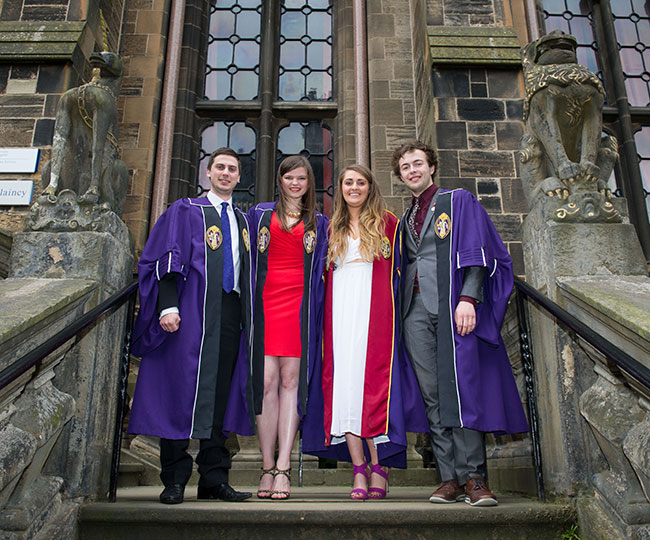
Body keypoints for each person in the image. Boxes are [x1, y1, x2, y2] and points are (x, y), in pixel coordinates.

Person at [393, 140, 528, 507]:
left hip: (451, 306)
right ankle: (448, 477)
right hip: (414, 311)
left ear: (431, 166)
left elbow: (475, 250)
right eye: (405, 167)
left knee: (461, 388)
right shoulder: (405, 218)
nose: (412, 171)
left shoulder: (457, 201)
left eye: (418, 163)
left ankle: (475, 478)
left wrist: (468, 298)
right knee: (434, 395)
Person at [128, 147, 254, 504]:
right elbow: (167, 258)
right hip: (191, 312)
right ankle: (174, 479)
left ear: (239, 177)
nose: (226, 174)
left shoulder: (242, 221)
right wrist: (168, 306)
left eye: (232, 169)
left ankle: (214, 478)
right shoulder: (186, 211)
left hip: (230, 315)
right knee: (180, 391)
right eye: (220, 168)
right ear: (208, 173)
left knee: (221, 397)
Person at [302, 165, 428, 500]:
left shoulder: (389, 223)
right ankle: (359, 468)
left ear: (370, 187)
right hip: (339, 314)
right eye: (348, 182)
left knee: (373, 387)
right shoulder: (331, 227)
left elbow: (406, 272)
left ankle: (379, 466)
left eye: (360, 182)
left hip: (375, 315)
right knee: (344, 388)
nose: (354, 188)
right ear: (340, 188)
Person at [248, 155, 328, 500]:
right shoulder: (259, 216)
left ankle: (283, 467)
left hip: (299, 307)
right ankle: (266, 466)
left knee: (291, 382)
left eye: (301, 178)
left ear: (309, 183)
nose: (295, 184)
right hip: (266, 305)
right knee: (265, 382)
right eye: (289, 178)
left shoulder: (320, 223)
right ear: (279, 181)